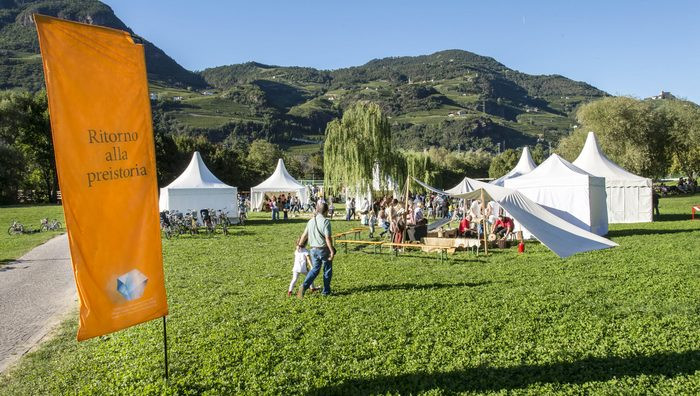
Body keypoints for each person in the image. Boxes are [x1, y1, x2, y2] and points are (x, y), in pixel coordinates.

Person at [297, 202, 335, 297]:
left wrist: (300, 245)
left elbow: (304, 235)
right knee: (327, 270)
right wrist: (331, 250)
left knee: (314, 270)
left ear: (318, 210)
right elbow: (327, 238)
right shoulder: (326, 222)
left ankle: (303, 286)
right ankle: (326, 291)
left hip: (313, 249)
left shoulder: (311, 221)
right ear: (326, 211)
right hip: (323, 249)